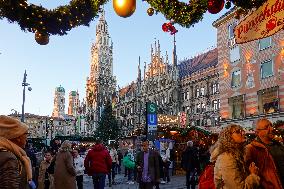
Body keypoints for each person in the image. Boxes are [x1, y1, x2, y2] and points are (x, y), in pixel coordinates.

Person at [213, 124, 260, 189]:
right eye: (238, 132)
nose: (243, 133)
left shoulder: (236, 154)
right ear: (228, 137)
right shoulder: (227, 158)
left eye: (242, 131)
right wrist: (253, 175)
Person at [245, 118, 284, 189]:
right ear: (257, 132)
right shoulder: (251, 148)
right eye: (266, 127)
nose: (271, 129)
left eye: (271, 126)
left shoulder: (279, 144)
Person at [0, 115, 35, 189]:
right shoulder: (9, 159)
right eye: (26, 134)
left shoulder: (7, 153)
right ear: (18, 136)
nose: (27, 138)